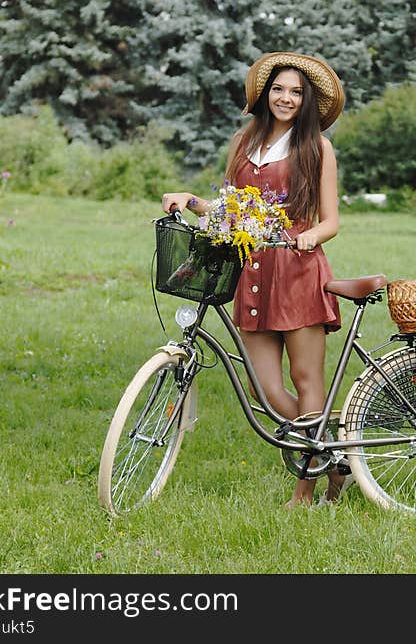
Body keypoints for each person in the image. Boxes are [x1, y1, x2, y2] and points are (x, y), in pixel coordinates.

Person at [161, 52, 348, 507]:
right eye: (279, 89)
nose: (286, 98)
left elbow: (331, 222)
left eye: (296, 92)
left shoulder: (317, 147)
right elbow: (232, 211)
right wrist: (192, 200)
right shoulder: (244, 142)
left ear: (307, 102)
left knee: (306, 380)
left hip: (299, 271)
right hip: (255, 272)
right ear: (266, 94)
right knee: (262, 388)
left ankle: (305, 489)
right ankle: (333, 451)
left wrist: (308, 239)